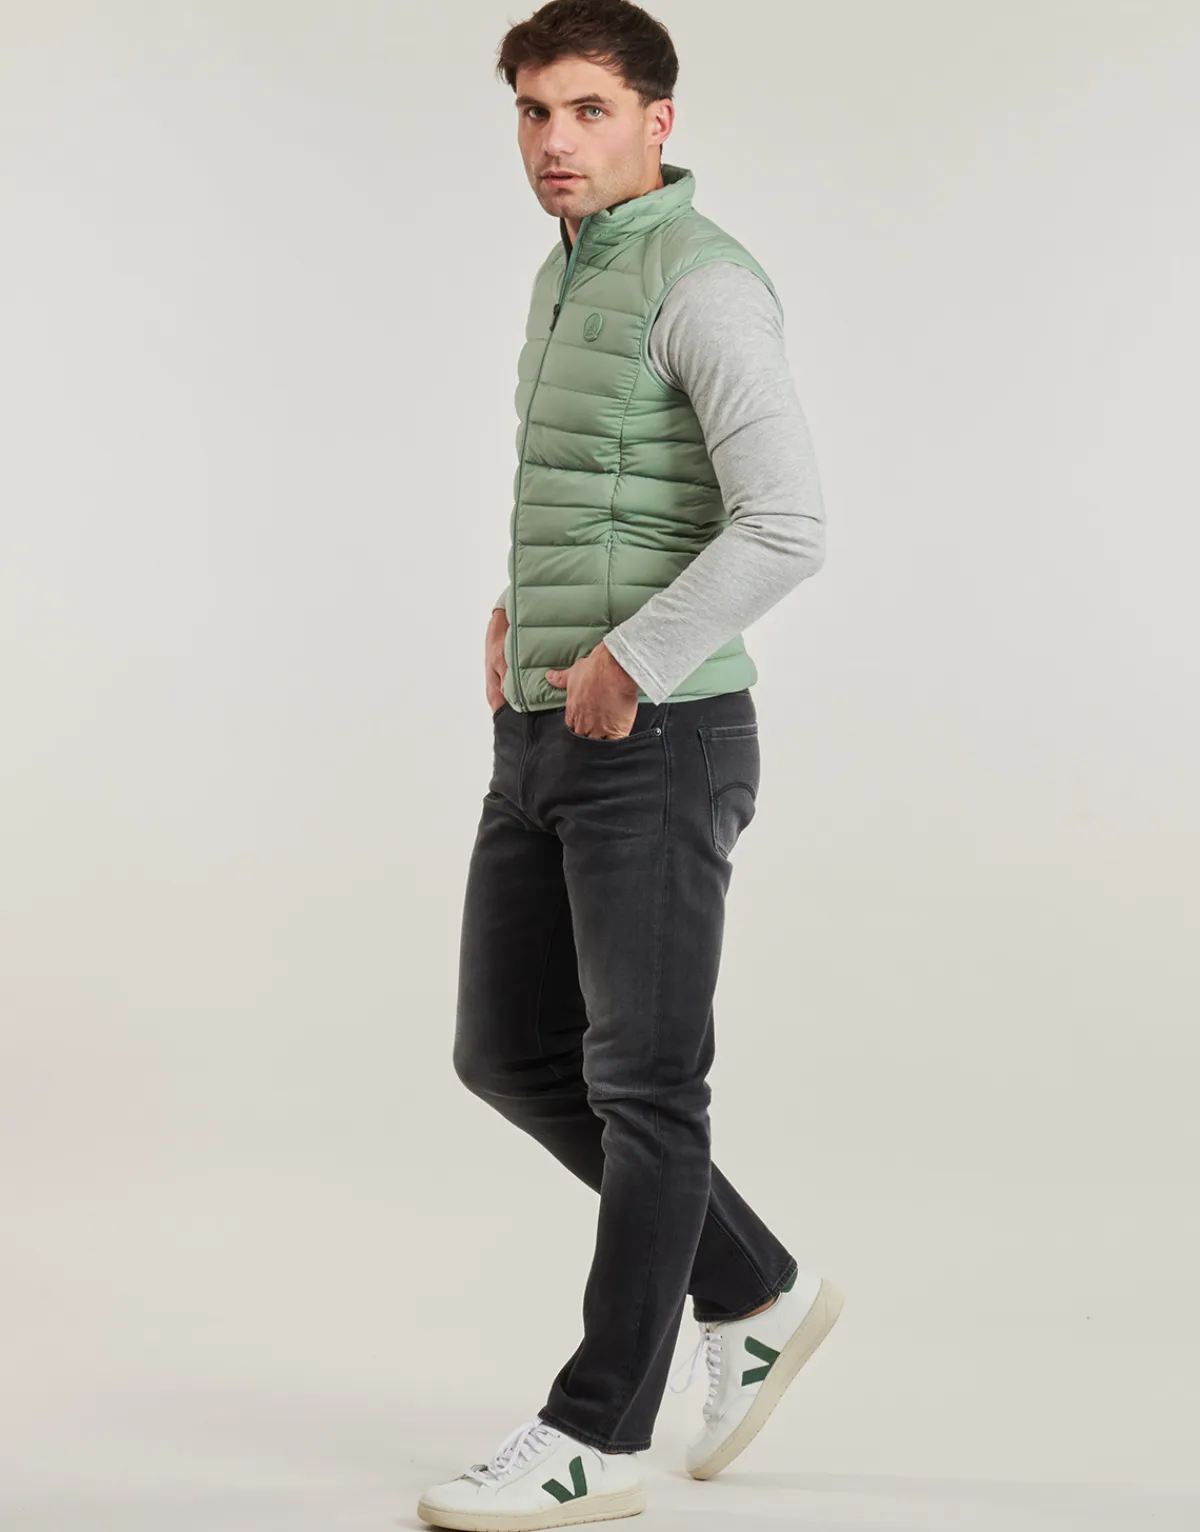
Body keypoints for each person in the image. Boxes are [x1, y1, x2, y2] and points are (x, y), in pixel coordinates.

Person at [418, 3, 842, 1526]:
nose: (554, 142)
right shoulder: (568, 271)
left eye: (587, 110)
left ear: (658, 120)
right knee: (506, 1054)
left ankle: (595, 1434)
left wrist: (632, 660)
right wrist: (520, 616)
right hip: (543, 727)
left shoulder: (703, 280)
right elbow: (602, 491)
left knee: (647, 1088)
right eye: (533, 112)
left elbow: (786, 521)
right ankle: (758, 1290)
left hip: (659, 736)